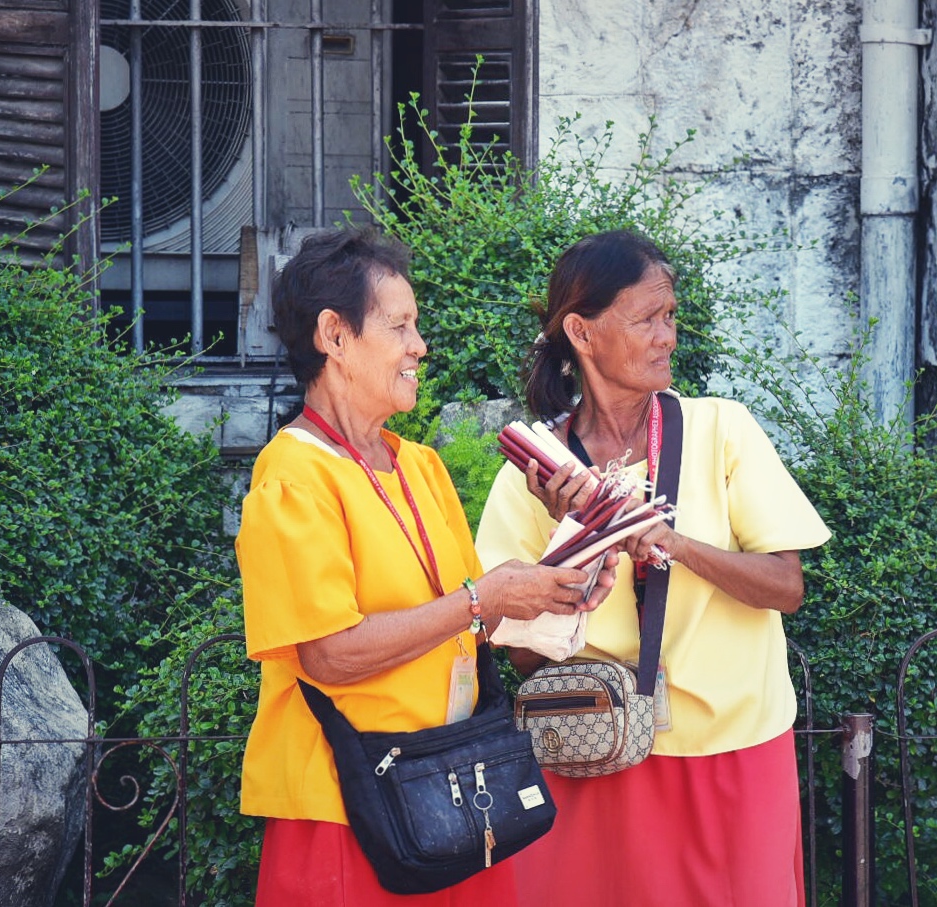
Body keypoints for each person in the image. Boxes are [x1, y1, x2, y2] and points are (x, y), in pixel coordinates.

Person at [236, 227, 615, 907]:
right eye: (400, 325)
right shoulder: (292, 475)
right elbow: (327, 655)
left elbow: (473, 626)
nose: (420, 346)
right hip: (347, 805)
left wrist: (558, 590)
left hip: (456, 788)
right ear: (335, 335)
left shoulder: (422, 465)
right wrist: (483, 598)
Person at [476, 229, 830, 906]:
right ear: (581, 331)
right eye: (647, 319)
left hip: (734, 750)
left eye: (670, 317)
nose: (668, 336)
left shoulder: (722, 429)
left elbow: (787, 586)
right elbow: (518, 657)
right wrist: (570, 540)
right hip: (594, 747)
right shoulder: (533, 475)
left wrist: (672, 542)